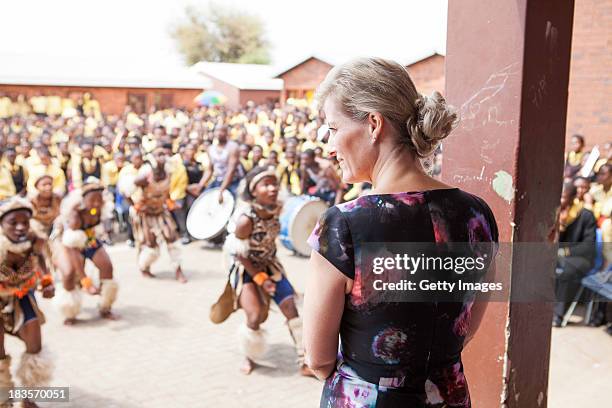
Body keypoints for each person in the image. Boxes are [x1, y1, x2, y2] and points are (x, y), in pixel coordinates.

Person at [303, 58, 499, 407]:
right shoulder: (477, 214)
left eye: (333, 129)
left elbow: (318, 359)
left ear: (373, 124)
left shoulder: (345, 226)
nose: (330, 147)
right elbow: (464, 329)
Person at [218, 166, 314, 377]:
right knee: (255, 316)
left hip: (271, 264)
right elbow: (239, 254)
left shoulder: (279, 208)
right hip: (246, 269)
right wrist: (261, 279)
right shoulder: (245, 220)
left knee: (291, 308)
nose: (272, 189)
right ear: (254, 191)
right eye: (266, 185)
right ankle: (249, 355)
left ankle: (305, 361)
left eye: (275, 184)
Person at [0, 197, 55, 407]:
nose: (20, 227)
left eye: (25, 221)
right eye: (13, 222)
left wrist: (47, 282)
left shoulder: (35, 241)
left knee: (35, 343)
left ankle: (30, 397)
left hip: (22, 296)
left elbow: (42, 264)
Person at [51, 178, 119, 324]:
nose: (96, 203)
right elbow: (72, 248)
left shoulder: (101, 208)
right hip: (67, 244)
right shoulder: (75, 215)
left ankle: (105, 306)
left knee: (107, 266)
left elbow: (94, 231)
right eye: (92, 200)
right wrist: (85, 280)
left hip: (89, 240)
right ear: (83, 200)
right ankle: (70, 311)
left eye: (98, 199)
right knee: (69, 274)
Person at [128, 145, 187, 283]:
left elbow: (165, 193)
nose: (162, 157)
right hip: (145, 214)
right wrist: (136, 205)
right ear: (152, 158)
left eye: (163, 154)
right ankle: (144, 267)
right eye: (158, 154)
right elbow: (127, 190)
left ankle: (178, 270)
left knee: (171, 237)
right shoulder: (145, 175)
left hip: (161, 211)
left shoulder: (169, 173)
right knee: (150, 243)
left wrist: (170, 203)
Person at [554, 182, 597, 327]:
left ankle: (557, 315)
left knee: (566, 270)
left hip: (582, 258)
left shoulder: (585, 215)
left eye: (563, 197)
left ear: (573, 197)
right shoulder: (559, 214)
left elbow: (588, 247)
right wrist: (561, 227)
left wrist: (565, 252)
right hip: (562, 257)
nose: (560, 200)